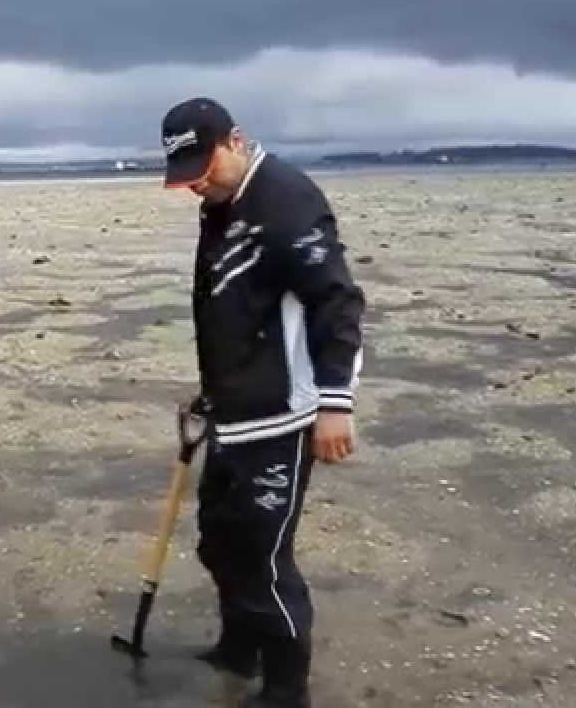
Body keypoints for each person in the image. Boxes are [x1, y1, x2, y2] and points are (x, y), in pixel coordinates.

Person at [160, 97, 366, 707]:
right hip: (234, 410)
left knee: (262, 555)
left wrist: (336, 402)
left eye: (203, 167)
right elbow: (236, 307)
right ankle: (239, 647)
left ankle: (285, 688)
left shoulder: (286, 201)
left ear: (235, 141)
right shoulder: (220, 204)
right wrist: (212, 391)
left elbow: (338, 303)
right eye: (186, 175)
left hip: (284, 414)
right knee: (218, 538)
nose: (196, 183)